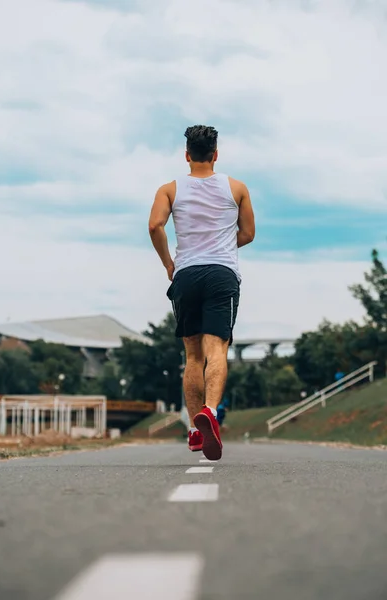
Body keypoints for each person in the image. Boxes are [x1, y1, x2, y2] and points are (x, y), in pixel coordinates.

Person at [148, 125, 255, 460]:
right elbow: (248, 233)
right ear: (216, 154)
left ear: (187, 155)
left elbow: (155, 226)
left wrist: (169, 263)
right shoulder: (236, 188)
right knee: (217, 349)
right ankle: (209, 410)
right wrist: (221, 244)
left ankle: (195, 431)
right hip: (222, 274)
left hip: (187, 273)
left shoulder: (170, 189)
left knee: (192, 356)